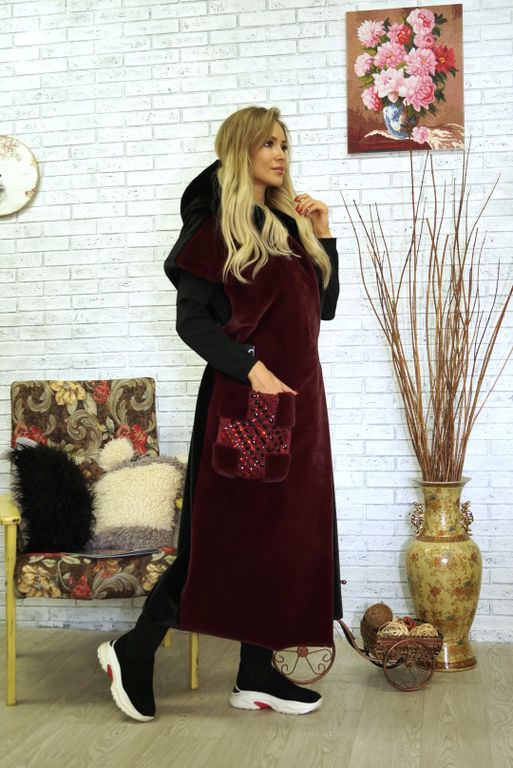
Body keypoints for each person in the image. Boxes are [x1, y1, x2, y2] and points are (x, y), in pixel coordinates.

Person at [98, 105, 342, 721]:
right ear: (240, 151)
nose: (281, 154)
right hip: (248, 405)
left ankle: (256, 676)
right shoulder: (216, 230)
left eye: (284, 144)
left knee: (278, 542)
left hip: (299, 409)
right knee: (226, 542)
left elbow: (324, 310)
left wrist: (323, 233)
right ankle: (134, 650)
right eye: (268, 143)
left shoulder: (287, 225)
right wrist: (251, 369)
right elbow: (192, 322)